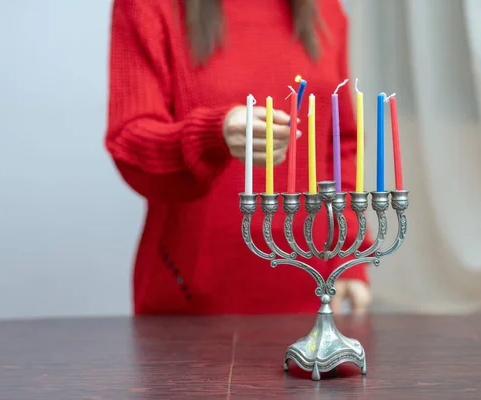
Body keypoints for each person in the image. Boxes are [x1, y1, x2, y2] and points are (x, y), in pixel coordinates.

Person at [105, 0, 372, 315]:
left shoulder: (325, 9)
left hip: (312, 297)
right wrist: (212, 135)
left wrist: (348, 253)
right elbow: (131, 143)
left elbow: (339, 146)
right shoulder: (149, 6)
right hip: (192, 303)